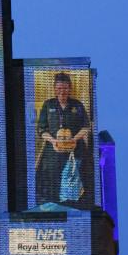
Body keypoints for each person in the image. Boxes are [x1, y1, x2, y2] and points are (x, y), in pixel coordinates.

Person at [36, 72, 91, 206]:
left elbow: (86, 126)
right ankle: (52, 208)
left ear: (70, 88)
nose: (62, 92)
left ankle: (71, 207)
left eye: (65, 88)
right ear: (55, 89)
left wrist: (74, 139)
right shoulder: (48, 105)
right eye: (59, 88)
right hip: (53, 150)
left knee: (72, 183)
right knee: (50, 180)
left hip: (75, 150)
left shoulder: (77, 105)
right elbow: (41, 129)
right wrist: (54, 141)